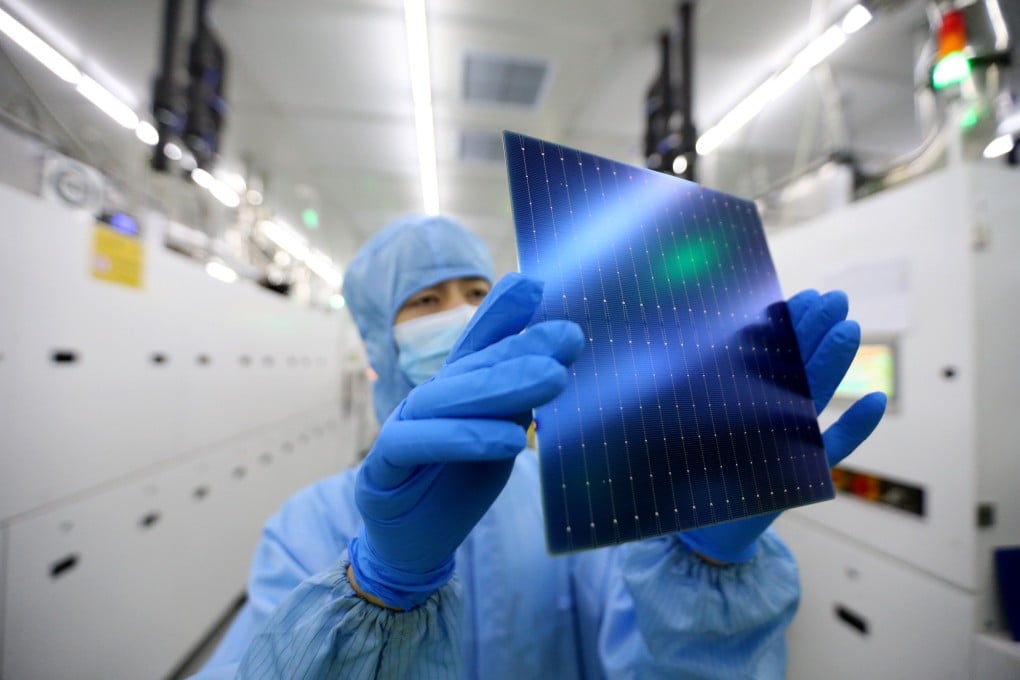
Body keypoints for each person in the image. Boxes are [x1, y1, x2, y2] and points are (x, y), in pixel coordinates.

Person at [194, 214, 886, 679]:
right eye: (427, 302)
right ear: (379, 337)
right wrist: (374, 586)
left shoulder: (572, 494)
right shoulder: (305, 527)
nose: (461, 314)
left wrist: (704, 567)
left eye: (476, 291)